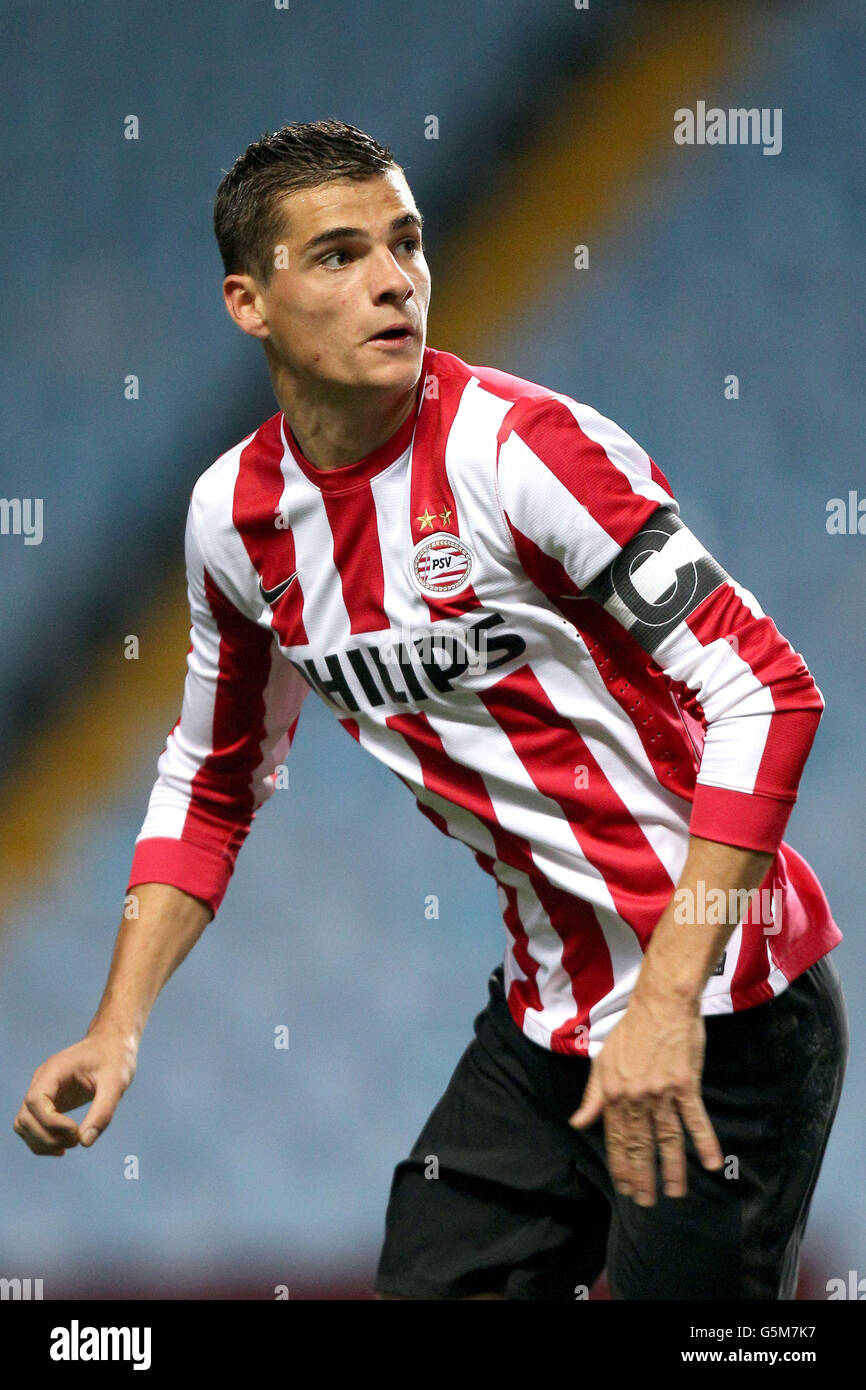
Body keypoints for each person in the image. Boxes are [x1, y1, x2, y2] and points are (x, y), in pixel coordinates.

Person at [14, 119, 847, 1301]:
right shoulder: (234, 521)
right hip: (545, 1013)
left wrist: (667, 998)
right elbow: (210, 777)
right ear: (249, 302)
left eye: (404, 242)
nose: (394, 279)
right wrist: (119, 1023)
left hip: (724, 1005)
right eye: (340, 254)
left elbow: (766, 686)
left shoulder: (526, 454)